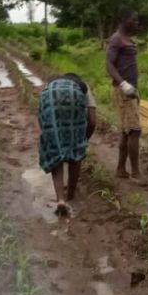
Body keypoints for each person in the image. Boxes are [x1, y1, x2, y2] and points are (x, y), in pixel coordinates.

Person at [37, 73, 97, 217]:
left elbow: (41, 114)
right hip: (75, 99)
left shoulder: (49, 84)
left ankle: (60, 200)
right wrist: (83, 140)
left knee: (55, 151)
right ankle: (70, 195)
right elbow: (92, 120)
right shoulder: (83, 87)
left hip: (50, 98)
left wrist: (50, 136)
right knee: (76, 154)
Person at [106, 9, 146, 183]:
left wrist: (133, 89)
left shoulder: (126, 39)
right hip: (123, 91)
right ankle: (136, 173)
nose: (137, 23)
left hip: (129, 90)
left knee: (126, 131)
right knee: (135, 130)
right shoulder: (116, 39)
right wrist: (123, 84)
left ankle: (121, 170)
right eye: (134, 19)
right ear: (124, 20)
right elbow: (108, 64)